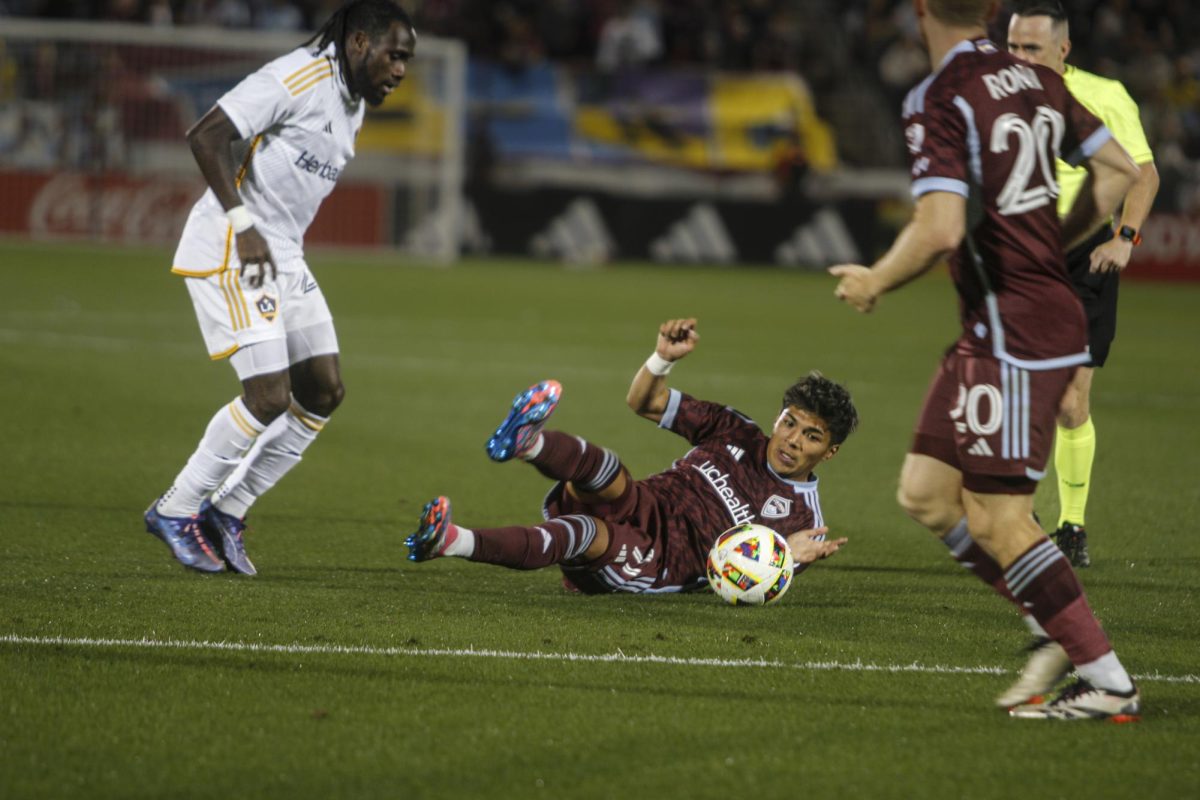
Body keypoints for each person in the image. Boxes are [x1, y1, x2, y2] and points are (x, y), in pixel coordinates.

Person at [829, 0, 1142, 720]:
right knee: (927, 494)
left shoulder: (938, 95)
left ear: (919, 13)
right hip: (1007, 321)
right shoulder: (1033, 78)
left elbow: (939, 228)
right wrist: (1054, 244)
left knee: (1002, 519)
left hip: (1014, 328)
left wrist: (875, 278)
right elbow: (1118, 169)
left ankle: (1108, 682)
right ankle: (1048, 621)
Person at [144, 0, 417, 575]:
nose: (400, 71)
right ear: (361, 43)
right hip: (235, 243)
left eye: (407, 61)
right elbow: (206, 136)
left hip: (283, 253)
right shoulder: (295, 77)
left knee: (322, 389)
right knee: (268, 397)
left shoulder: (353, 102)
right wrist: (244, 227)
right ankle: (177, 507)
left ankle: (228, 509)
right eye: (395, 56)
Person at [405, 318, 857, 595]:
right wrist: (662, 359)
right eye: (790, 422)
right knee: (608, 470)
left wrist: (786, 555)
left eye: (811, 436)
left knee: (580, 531)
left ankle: (450, 541)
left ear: (829, 452)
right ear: (778, 418)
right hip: (643, 503)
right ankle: (528, 444)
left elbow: (746, 582)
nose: (793, 439)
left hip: (657, 560)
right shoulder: (735, 428)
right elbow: (645, 403)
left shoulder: (801, 520)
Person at [1007, 0, 1159, 569]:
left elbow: (1144, 174)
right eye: (1014, 47)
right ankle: (1018, 516)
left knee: (1071, 402)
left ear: (1062, 50)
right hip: (1017, 261)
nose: (1020, 59)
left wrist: (1125, 238)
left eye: (1032, 49)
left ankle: (1071, 525)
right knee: (1011, 397)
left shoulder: (1104, 95)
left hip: (1080, 262)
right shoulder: (996, 97)